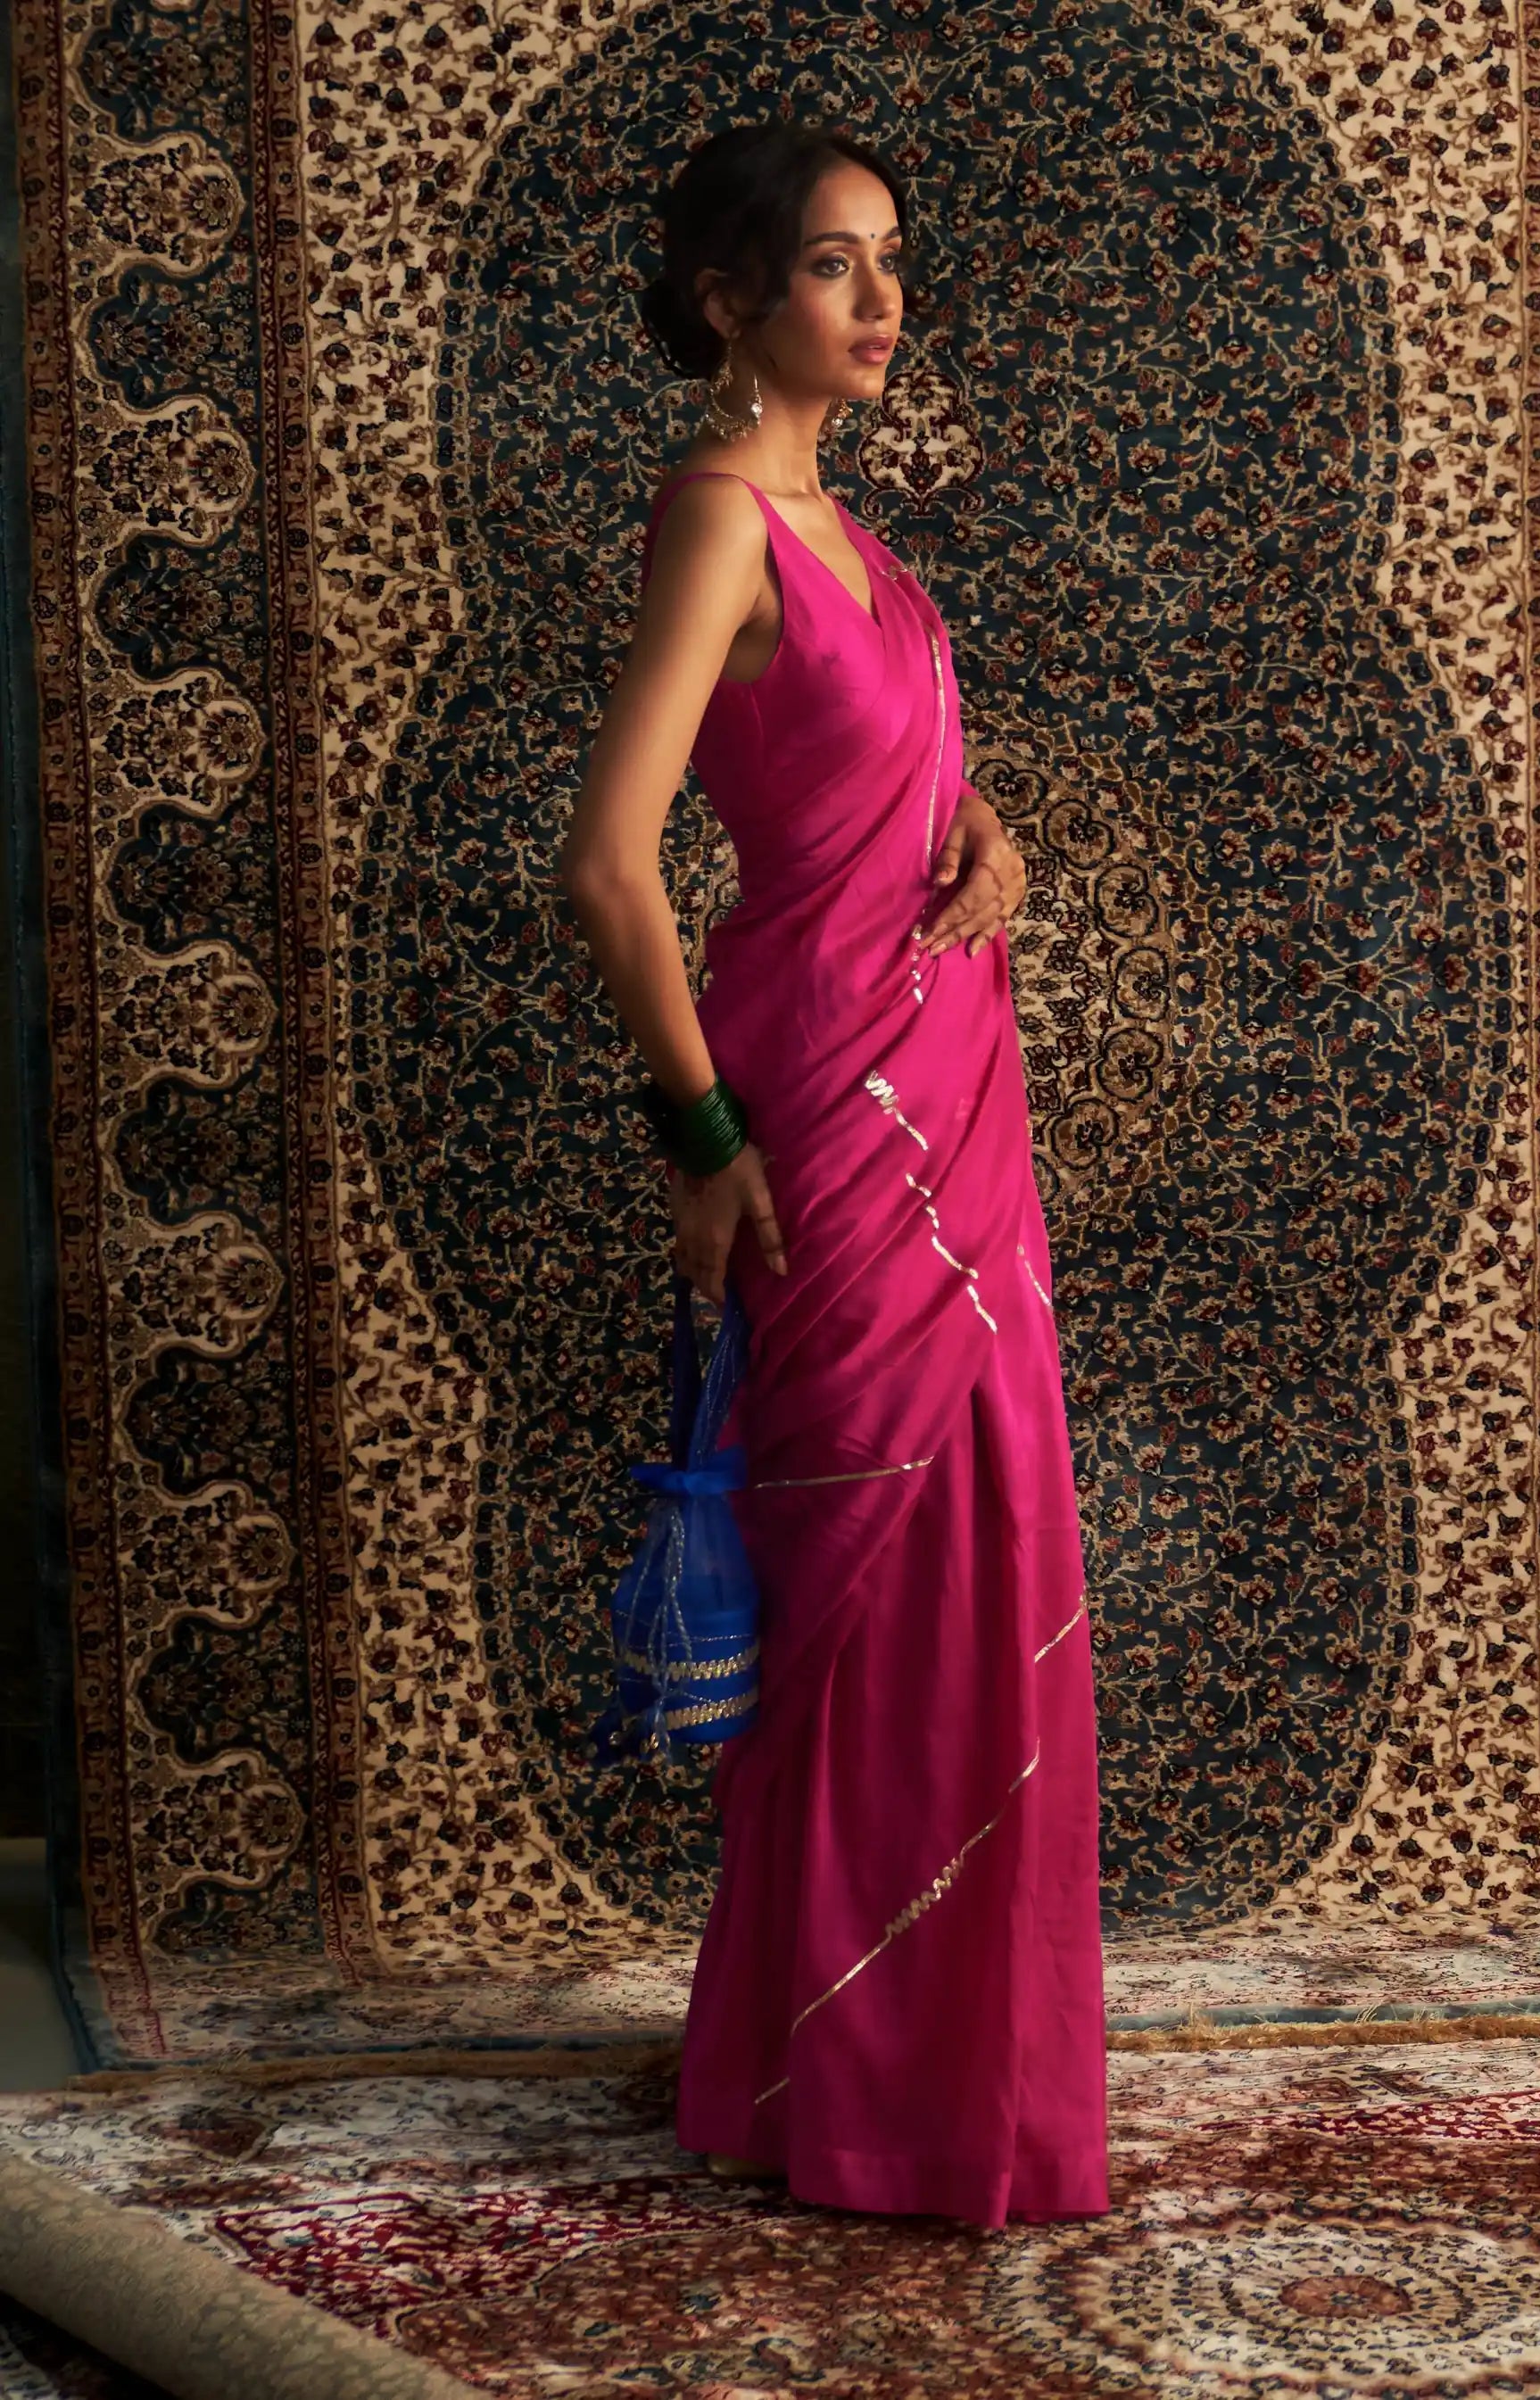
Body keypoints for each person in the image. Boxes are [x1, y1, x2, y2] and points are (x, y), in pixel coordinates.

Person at [559, 119, 1108, 2230]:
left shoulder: (849, 529)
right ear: (729, 301)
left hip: (957, 1082)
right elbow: (612, 868)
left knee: (981, 1540)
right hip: (824, 1098)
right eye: (828, 265)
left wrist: (991, 836)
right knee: (869, 1569)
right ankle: (838, 2087)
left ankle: (923, 2072)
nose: (881, 301)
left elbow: (891, 783)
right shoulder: (720, 518)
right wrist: (702, 1141)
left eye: (888, 259)